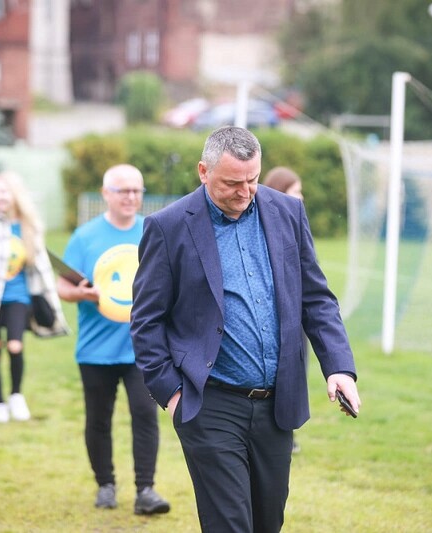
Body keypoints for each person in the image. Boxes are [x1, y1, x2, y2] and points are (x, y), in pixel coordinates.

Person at [131, 126, 361, 532]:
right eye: (232, 183)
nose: (245, 191)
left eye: (253, 180)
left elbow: (316, 299)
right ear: (203, 171)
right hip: (210, 403)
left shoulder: (288, 212)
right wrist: (172, 395)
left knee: (266, 522)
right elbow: (147, 322)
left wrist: (338, 367)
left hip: (278, 405)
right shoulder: (167, 227)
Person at [57, 164, 170, 516]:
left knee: (145, 414)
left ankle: (145, 490)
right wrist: (84, 294)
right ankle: (105, 484)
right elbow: (63, 286)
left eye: (137, 190)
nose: (131, 197)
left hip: (144, 349)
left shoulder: (153, 231)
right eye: (123, 191)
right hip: (96, 349)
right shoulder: (85, 236)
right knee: (98, 419)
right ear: (106, 193)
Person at [0, 171, 69, 423]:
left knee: (14, 345)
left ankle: (16, 396)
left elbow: (42, 266)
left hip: (18, 297)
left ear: (15, 196)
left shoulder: (28, 226)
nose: (1, 197)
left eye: (5, 192)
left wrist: (52, 300)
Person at [263, 165, 305, 454]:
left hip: (295, 316)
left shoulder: (296, 223)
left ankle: (287, 431)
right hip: (272, 318)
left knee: (294, 372)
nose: (301, 198)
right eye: (295, 192)